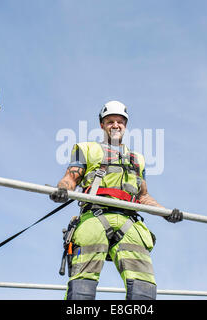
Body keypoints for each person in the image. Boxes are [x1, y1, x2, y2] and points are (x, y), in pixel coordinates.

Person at [50, 100, 183, 300]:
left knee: (143, 286)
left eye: (120, 121)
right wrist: (61, 190)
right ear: (102, 125)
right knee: (82, 285)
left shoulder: (137, 159)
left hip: (129, 222)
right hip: (94, 217)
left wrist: (166, 213)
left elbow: (143, 196)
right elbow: (71, 178)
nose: (115, 125)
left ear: (125, 126)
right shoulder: (87, 149)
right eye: (110, 121)